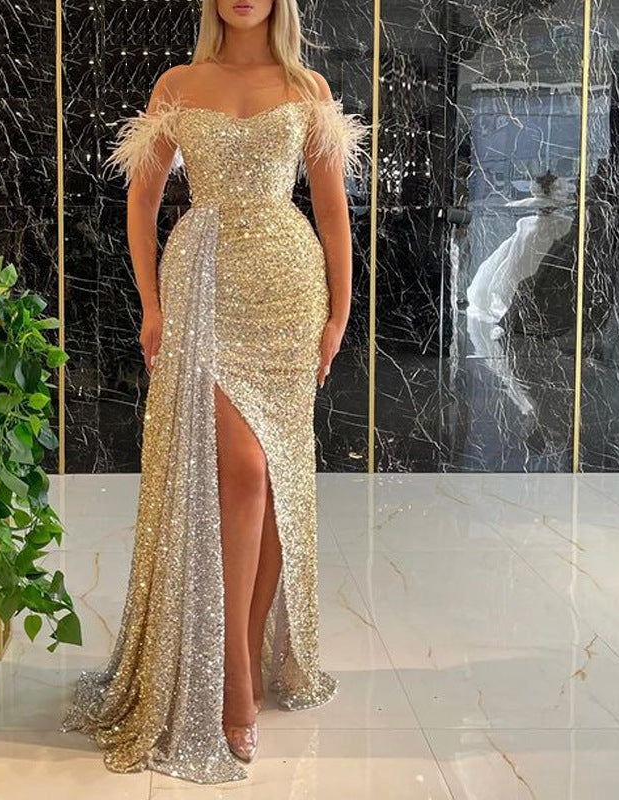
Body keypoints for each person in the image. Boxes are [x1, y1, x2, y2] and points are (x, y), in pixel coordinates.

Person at [58, 0, 371, 784]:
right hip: (203, 284)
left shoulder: (308, 87)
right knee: (245, 472)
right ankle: (230, 673)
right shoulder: (177, 83)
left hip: (287, 288)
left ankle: (249, 651)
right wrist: (151, 304)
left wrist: (339, 313)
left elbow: (332, 210)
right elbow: (141, 199)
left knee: (279, 476)